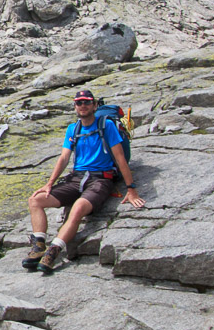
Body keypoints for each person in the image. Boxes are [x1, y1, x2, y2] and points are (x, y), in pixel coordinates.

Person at [25, 88, 144, 275]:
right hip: (76, 178)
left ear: (95, 105)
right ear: (75, 106)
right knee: (35, 201)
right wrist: (49, 183)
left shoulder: (106, 125)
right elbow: (64, 158)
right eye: (79, 102)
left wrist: (131, 189)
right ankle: (39, 245)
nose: (83, 105)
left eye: (87, 102)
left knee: (78, 208)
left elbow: (120, 158)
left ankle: (53, 251)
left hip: (100, 179)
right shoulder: (73, 129)